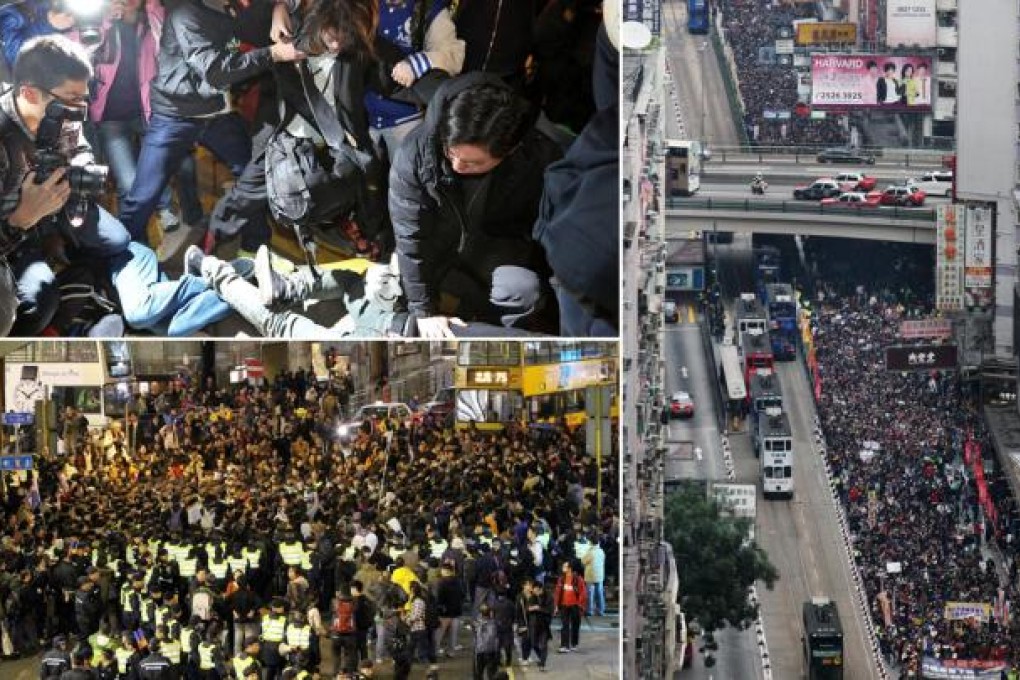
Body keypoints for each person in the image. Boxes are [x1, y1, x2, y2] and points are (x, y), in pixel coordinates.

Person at [117, 0, 306, 247]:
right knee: (142, 197)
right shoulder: (185, 12)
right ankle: (121, 256)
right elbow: (215, 71)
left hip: (216, 113)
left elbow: (256, 28)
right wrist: (274, 53)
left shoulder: (233, 9)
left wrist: (278, 7)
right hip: (174, 115)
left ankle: (256, 249)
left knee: (253, 180)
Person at [388, 71, 563, 338]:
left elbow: (552, 233)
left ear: (509, 150)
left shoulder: (538, 156)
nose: (458, 166)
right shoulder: (415, 154)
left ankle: (489, 324)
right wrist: (424, 312)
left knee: (523, 290)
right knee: (406, 287)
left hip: (495, 245)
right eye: (451, 153)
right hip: (436, 247)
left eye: (474, 163)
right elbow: (410, 237)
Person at [0, 34, 132, 336]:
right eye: (72, 99)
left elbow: (80, 146)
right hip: (14, 237)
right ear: (30, 93)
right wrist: (21, 220)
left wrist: (82, 166)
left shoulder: (63, 113)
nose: (80, 110)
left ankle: (73, 273)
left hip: (52, 211)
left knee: (117, 241)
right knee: (38, 304)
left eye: (84, 98)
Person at [90, 0, 203, 246]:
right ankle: (135, 245)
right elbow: (86, 49)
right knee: (129, 183)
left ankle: (163, 207)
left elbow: (169, 34)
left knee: (170, 165)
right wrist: (106, 19)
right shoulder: (100, 20)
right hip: (111, 118)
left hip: (147, 109)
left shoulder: (152, 19)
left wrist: (150, 7)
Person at [553, 560, 585, 653]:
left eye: (565, 566)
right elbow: (557, 593)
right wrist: (556, 605)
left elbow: (583, 593)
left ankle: (574, 644)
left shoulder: (578, 579)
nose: (563, 567)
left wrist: (580, 605)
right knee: (564, 625)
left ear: (570, 568)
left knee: (575, 625)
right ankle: (564, 645)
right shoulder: (561, 579)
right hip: (564, 606)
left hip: (575, 606)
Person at [472, 603, 499, 680]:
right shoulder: (494, 623)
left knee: (478, 673)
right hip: (491, 651)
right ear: (490, 612)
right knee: (492, 673)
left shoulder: (477, 623)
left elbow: (475, 636)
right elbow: (495, 637)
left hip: (479, 650)